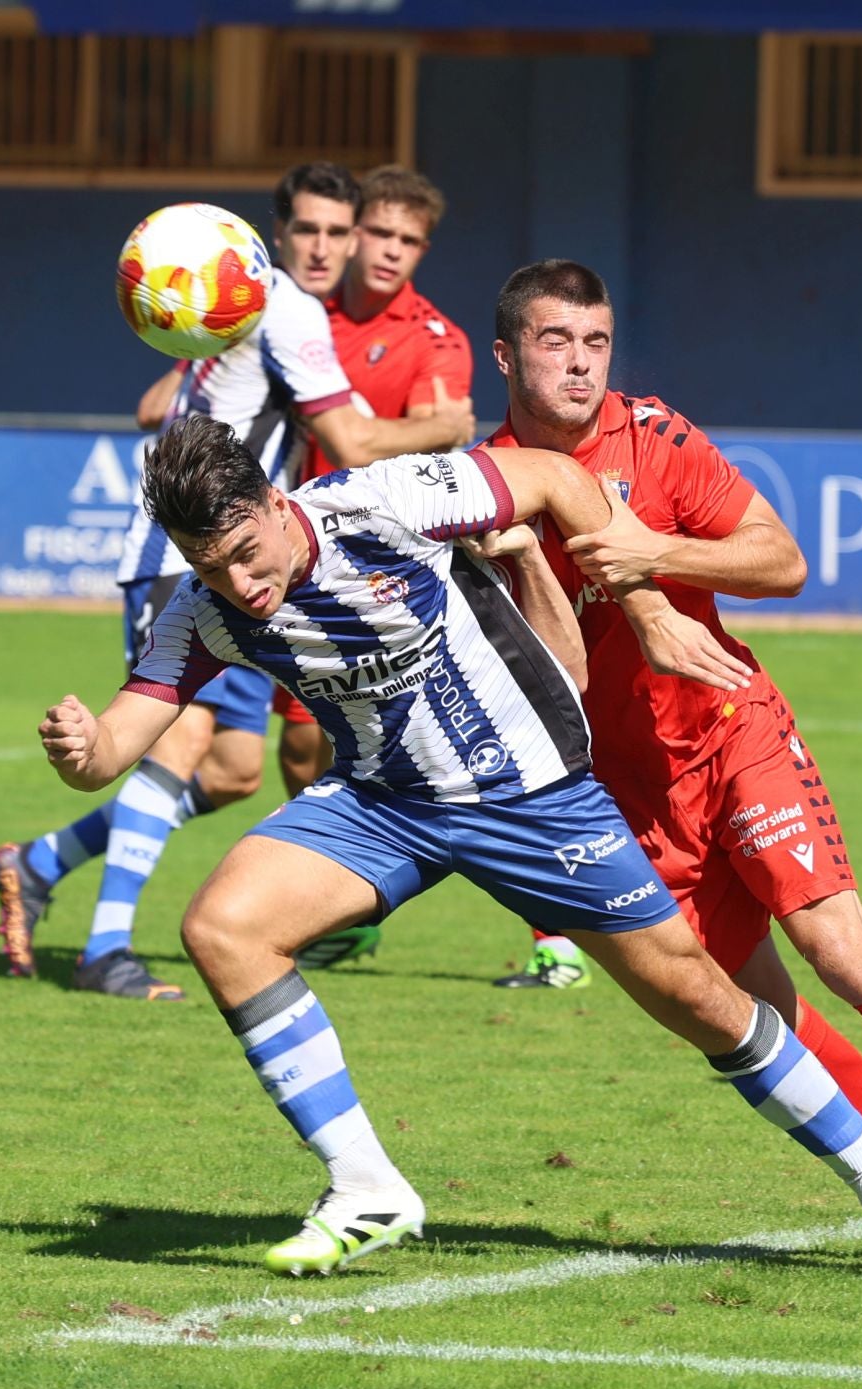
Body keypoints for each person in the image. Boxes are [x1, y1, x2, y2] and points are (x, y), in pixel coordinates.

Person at [34, 413, 862, 1286]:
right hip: (385, 801)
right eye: (213, 570)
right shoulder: (206, 610)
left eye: (247, 553)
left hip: (532, 795)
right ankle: (366, 1184)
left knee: (706, 1002)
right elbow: (122, 737)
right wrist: (85, 751)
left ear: (275, 501)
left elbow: (550, 475)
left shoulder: (381, 501)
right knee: (223, 928)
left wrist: (644, 597)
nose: (241, 585)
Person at [481, 259, 862, 1282]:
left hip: (729, 730)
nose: (581, 366)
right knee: (754, 1018)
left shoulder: (655, 436)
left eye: (595, 343)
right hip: (628, 796)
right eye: (554, 343)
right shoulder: (483, 486)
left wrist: (650, 555)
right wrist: (556, 567)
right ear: (505, 356)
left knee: (838, 948)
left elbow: (780, 559)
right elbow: (549, 671)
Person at [0, 161, 474, 1000]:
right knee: (178, 739)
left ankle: (38, 862)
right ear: (274, 236)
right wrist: (444, 425)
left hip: (242, 560)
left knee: (235, 769)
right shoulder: (282, 309)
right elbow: (354, 445)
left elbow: (154, 407)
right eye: (307, 230)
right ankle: (107, 950)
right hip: (198, 554)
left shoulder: (247, 308)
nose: (323, 247)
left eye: (337, 231)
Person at [273, 164, 481, 971]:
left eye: (410, 240)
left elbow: (445, 435)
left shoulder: (437, 340)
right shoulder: (301, 314)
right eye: (380, 234)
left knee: (442, 759)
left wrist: (407, 429)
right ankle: (340, 900)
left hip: (375, 576)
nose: (392, 252)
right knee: (295, 756)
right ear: (350, 234)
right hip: (285, 563)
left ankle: (552, 931)